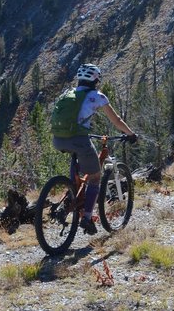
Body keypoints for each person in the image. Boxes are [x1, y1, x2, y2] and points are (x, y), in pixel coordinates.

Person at [52, 63, 137, 235]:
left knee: (78, 169)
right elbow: (116, 120)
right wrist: (130, 134)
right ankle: (87, 217)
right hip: (78, 139)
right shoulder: (97, 96)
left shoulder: (68, 93)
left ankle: (71, 193)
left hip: (58, 139)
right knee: (96, 177)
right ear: (96, 80)